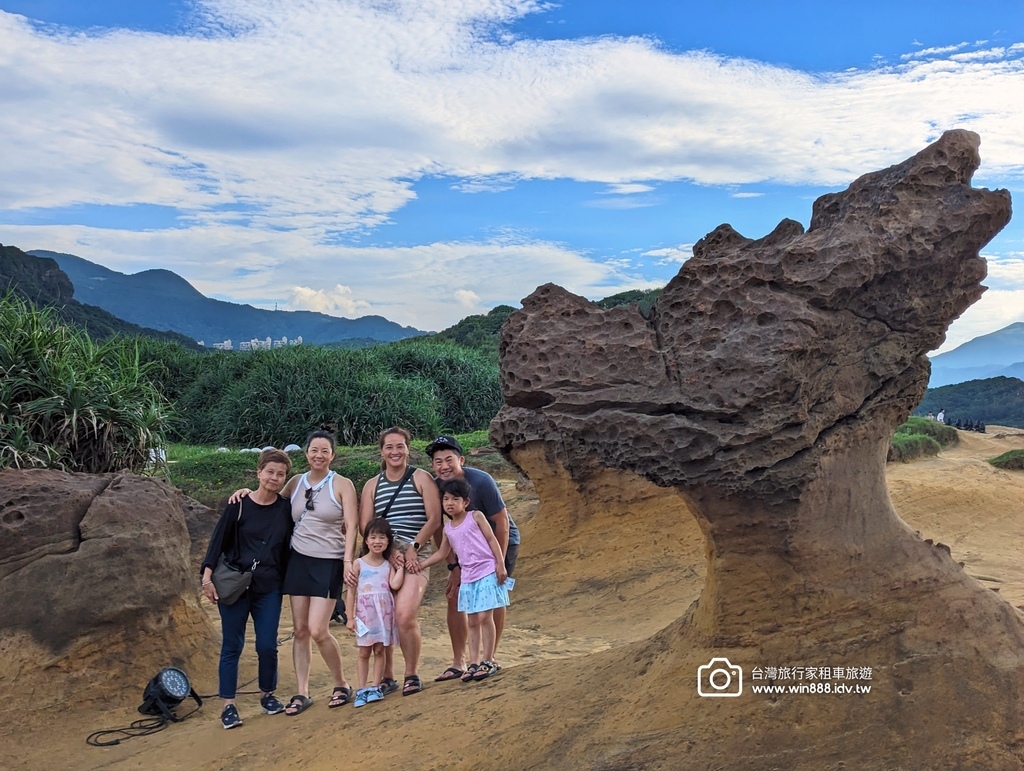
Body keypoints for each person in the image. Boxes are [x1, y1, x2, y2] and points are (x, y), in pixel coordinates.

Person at [230, 429, 359, 714]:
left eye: (325, 451)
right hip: (298, 560)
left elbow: (352, 525)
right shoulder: (296, 483)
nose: (319, 455)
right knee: (300, 630)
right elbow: (269, 498)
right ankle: (302, 692)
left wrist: (348, 561)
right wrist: (245, 494)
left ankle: (341, 683)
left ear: (332, 455)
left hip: (329, 562)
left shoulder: (342, 485)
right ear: (307, 452)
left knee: (318, 629)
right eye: (314, 450)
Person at [201, 449, 295, 730]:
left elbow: (291, 546)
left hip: (268, 586)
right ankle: (228, 705)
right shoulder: (238, 504)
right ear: (259, 473)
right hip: (234, 584)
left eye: (280, 474)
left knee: (267, 645)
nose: (274, 478)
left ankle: (268, 694)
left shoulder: (286, 510)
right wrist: (206, 577)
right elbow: (217, 541)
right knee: (233, 645)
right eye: (270, 472)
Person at [352, 426, 441, 696]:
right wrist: (388, 551)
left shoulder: (422, 478)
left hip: (417, 551)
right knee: (383, 614)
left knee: (403, 614)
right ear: (382, 451)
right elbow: (365, 526)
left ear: (408, 448)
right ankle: (387, 675)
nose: (395, 452)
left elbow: (434, 519)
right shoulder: (371, 485)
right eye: (389, 447)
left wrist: (414, 546)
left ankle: (411, 673)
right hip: (383, 552)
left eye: (400, 446)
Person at [426, 435, 520, 680]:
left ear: (461, 460)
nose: (444, 466)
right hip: (464, 548)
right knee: (455, 597)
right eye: (438, 462)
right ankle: (461, 662)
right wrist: (453, 567)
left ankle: (490, 659)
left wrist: (496, 562)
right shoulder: (435, 487)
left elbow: (501, 522)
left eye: (449, 460)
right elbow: (438, 527)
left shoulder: (481, 481)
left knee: (492, 599)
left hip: (498, 541)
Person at [419, 478, 510, 682]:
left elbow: (491, 539)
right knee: (472, 621)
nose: (450, 503)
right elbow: (442, 552)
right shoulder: (448, 529)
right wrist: (422, 564)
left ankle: (488, 660)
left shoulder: (475, 516)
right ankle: (474, 662)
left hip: (486, 571)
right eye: (446, 499)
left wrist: (500, 564)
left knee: (485, 618)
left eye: (455, 499)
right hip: (468, 578)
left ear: (466, 502)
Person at [345, 518, 404, 707]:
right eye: (373, 537)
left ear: (388, 542)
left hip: (383, 616)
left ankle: (375, 686)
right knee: (363, 652)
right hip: (364, 616)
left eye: (382, 537)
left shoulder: (388, 565)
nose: (377, 541)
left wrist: (400, 567)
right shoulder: (358, 564)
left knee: (380, 650)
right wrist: (349, 617)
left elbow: (395, 584)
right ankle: (361, 688)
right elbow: (351, 592)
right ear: (366, 541)